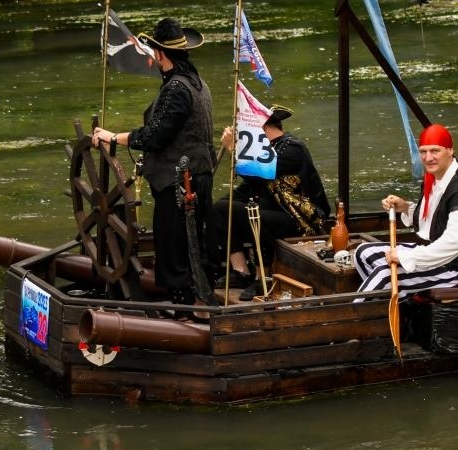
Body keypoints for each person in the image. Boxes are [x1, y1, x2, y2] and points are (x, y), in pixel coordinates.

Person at [91, 17, 215, 307]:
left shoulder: (176, 89)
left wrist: (112, 137)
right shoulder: (199, 84)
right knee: (191, 243)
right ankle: (192, 300)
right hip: (198, 175)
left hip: (180, 182)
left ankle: (185, 308)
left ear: (160, 54)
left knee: (175, 248)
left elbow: (153, 136)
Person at [209, 105, 331, 299]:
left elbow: (262, 173)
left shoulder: (292, 148)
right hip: (269, 212)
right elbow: (251, 186)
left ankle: (261, 278)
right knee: (222, 208)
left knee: (252, 215)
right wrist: (222, 206)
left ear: (261, 128)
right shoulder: (263, 149)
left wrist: (235, 151)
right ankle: (241, 271)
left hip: (298, 218)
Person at [353, 122, 458, 301]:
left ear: (450, 151)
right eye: (423, 151)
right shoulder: (434, 177)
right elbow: (431, 221)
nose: (428, 158)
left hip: (454, 268)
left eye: (435, 151)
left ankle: (350, 319)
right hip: (431, 252)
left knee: (384, 275)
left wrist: (408, 256)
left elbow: (454, 244)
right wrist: (404, 207)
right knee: (363, 253)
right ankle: (394, 310)